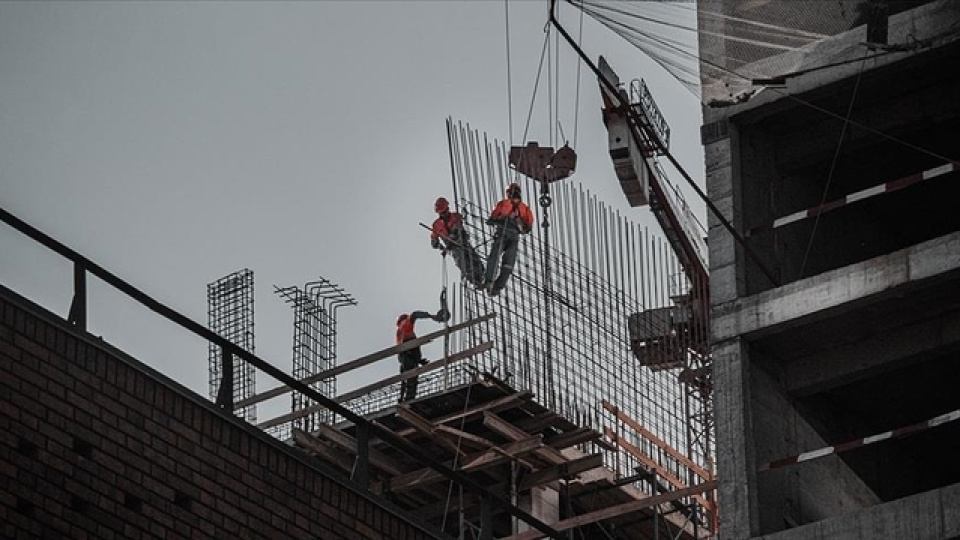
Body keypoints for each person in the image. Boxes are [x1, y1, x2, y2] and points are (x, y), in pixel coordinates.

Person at [483, 182, 534, 296]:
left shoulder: (505, 204)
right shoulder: (524, 208)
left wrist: (494, 221)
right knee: (506, 263)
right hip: (512, 236)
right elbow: (529, 225)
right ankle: (495, 286)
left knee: (496, 258)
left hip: (504, 234)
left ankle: (490, 282)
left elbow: (493, 217)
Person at [430, 197, 486, 288]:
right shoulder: (436, 225)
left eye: (445, 211)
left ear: (448, 208)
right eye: (442, 213)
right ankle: (475, 282)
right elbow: (434, 242)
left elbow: (458, 228)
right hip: (454, 248)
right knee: (464, 264)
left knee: (475, 260)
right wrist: (440, 246)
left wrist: (452, 237)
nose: (444, 214)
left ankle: (483, 277)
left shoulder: (456, 216)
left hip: (463, 243)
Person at [395, 309, 445, 403]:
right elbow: (415, 314)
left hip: (405, 358)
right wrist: (432, 316)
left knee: (405, 380)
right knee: (412, 381)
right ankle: (409, 402)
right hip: (408, 357)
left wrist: (419, 360)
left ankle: (403, 400)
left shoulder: (399, 333)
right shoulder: (405, 324)